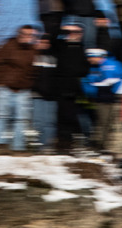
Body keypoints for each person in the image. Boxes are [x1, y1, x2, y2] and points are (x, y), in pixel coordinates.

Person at [0, 25, 38, 152]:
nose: (26, 37)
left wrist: (29, 83)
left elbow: (35, 70)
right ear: (18, 34)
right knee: (1, 116)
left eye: (30, 35)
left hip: (23, 90)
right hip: (4, 88)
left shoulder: (33, 50)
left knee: (21, 119)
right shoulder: (8, 46)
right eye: (24, 34)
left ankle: (18, 146)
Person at [52, 24, 90, 154]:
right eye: (71, 32)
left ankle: (75, 144)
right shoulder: (61, 46)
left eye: (77, 32)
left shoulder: (83, 49)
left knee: (77, 118)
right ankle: (63, 146)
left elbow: (85, 69)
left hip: (77, 90)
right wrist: (63, 31)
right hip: (61, 88)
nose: (74, 34)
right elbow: (53, 38)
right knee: (62, 118)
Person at [81, 47, 122, 151]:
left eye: (90, 57)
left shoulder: (112, 65)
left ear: (97, 57)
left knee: (106, 124)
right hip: (101, 99)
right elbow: (88, 83)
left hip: (111, 99)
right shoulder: (94, 68)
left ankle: (102, 147)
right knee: (103, 123)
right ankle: (100, 146)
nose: (89, 60)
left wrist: (115, 92)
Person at [30, 33, 58, 150]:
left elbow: (57, 77)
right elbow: (30, 76)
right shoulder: (33, 56)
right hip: (36, 94)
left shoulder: (55, 58)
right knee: (38, 121)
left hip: (51, 95)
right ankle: (40, 145)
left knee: (50, 122)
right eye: (42, 42)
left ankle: (47, 145)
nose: (44, 45)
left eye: (47, 43)